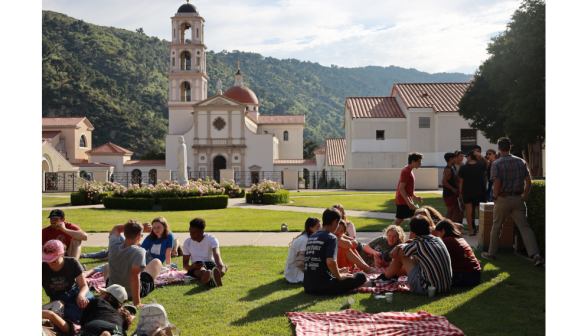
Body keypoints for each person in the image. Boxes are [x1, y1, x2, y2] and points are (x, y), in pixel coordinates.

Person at [482, 137, 545, 266]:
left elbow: (497, 184)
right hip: (518, 198)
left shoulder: (497, 163)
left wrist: (494, 198)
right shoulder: (521, 162)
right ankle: (536, 255)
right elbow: (528, 182)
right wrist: (524, 196)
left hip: (503, 198)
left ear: (499, 148)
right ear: (510, 147)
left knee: (496, 227)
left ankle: (492, 254)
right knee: (525, 228)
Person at [378, 216, 452, 295]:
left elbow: (392, 255)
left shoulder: (417, 245)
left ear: (412, 231)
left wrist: (399, 245)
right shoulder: (438, 239)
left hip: (427, 289)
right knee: (409, 254)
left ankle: (385, 278)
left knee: (403, 255)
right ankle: (392, 277)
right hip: (445, 286)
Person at [303, 208, 370, 295]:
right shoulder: (331, 237)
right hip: (325, 287)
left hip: (308, 286)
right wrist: (339, 276)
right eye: (338, 224)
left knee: (349, 275)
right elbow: (330, 262)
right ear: (335, 221)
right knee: (361, 276)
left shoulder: (312, 237)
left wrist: (339, 270)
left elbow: (318, 264)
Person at [103, 220, 162, 307]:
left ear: (125, 234)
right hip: (130, 294)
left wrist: (139, 226)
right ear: (139, 236)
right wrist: (137, 302)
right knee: (157, 262)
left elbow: (116, 228)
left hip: (113, 291)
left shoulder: (113, 245)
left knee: (107, 266)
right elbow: (134, 277)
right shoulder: (139, 251)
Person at [42, 239, 94, 323]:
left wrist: (81, 296)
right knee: (70, 315)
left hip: (75, 292)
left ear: (62, 254)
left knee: (90, 304)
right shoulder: (42, 268)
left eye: (54, 259)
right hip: (58, 299)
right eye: (47, 259)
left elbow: (84, 285)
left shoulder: (72, 262)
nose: (50, 262)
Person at [182, 218, 229, 287]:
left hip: (211, 264)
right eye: (190, 231)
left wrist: (221, 266)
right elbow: (185, 264)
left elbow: (216, 255)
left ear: (202, 232)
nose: (191, 234)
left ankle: (210, 278)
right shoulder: (187, 242)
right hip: (197, 267)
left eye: (194, 232)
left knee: (221, 268)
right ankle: (212, 278)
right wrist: (191, 267)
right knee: (203, 272)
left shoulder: (211, 239)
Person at [435, 219, 481, 287]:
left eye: (438, 234)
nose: (438, 237)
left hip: (464, 276)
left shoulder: (447, 241)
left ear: (443, 231)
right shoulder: (460, 239)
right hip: (476, 274)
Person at [458, 149, 490, 236]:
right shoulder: (480, 165)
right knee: (481, 211)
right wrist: (481, 156)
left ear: (469, 157)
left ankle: (471, 231)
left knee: (469, 211)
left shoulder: (464, 167)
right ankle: (483, 230)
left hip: (467, 192)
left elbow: (461, 181)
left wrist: (460, 192)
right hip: (479, 192)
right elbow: (488, 163)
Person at [284, 217, 322, 283]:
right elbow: (300, 263)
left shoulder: (308, 237)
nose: (320, 230)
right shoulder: (304, 240)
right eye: (318, 227)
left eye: (320, 227)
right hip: (294, 273)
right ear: (311, 228)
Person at [393, 152, 424, 226]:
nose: (420, 164)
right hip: (404, 200)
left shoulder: (408, 170)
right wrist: (409, 202)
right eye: (419, 162)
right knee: (414, 221)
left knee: (400, 219)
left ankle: (388, 235)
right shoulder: (406, 171)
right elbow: (401, 188)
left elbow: (407, 189)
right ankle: (414, 237)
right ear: (413, 161)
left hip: (403, 200)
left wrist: (415, 197)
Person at [442, 152, 460, 221]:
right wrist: (453, 189)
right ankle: (444, 227)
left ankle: (452, 227)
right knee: (450, 212)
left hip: (453, 194)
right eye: (455, 158)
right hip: (449, 194)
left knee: (455, 211)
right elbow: (444, 181)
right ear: (450, 159)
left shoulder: (453, 168)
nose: (456, 160)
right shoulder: (448, 169)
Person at [452, 150, 465, 224]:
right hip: (455, 189)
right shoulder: (453, 166)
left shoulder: (463, 165)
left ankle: (460, 223)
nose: (462, 158)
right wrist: (460, 168)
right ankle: (454, 223)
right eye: (461, 156)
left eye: (463, 156)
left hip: (462, 189)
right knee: (455, 209)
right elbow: (456, 178)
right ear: (456, 157)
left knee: (461, 208)